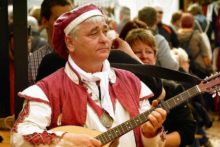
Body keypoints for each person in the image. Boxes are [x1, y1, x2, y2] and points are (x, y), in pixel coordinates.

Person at [11, 4, 167, 147]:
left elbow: (153, 143)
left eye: (105, 31)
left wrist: (149, 134)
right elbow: (19, 137)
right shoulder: (48, 89)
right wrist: (64, 140)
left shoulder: (132, 81)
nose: (104, 39)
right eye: (94, 33)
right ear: (70, 43)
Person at [125, 28, 196, 146]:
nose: (144, 56)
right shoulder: (122, 89)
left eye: (149, 52)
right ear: (127, 57)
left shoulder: (172, 88)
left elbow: (188, 132)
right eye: (137, 52)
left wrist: (154, 142)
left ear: (155, 57)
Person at [28, 0, 73, 85]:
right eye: (60, 19)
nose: (67, 23)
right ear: (45, 22)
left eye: (70, 19)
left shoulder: (83, 55)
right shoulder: (33, 61)